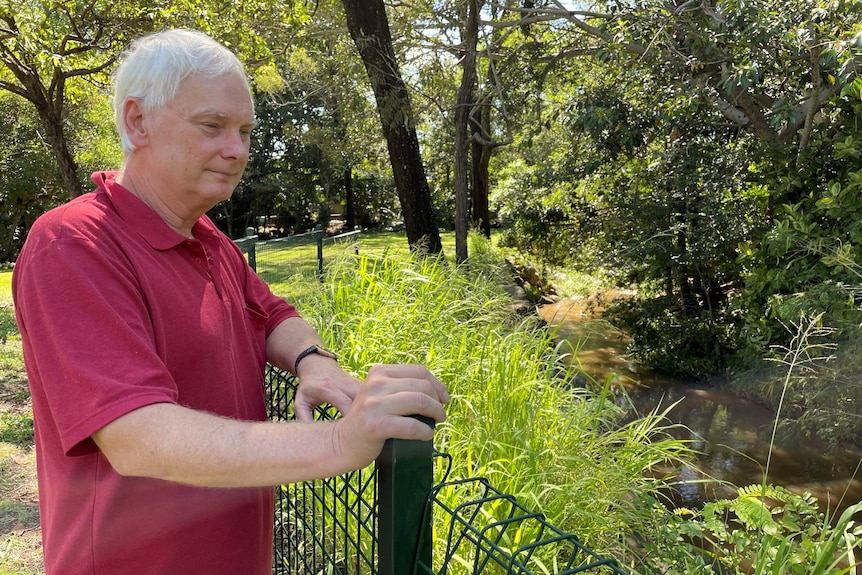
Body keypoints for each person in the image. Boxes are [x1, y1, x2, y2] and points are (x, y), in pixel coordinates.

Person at [12, 28, 449, 575]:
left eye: (244, 130)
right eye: (212, 126)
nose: (238, 150)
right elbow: (135, 436)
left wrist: (313, 363)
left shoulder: (205, 237)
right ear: (137, 121)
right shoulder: (73, 244)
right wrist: (339, 441)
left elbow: (271, 312)